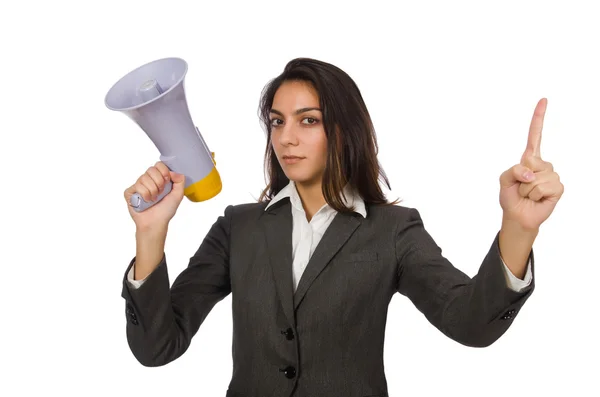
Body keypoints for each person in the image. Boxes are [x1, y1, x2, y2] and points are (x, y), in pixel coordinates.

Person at [120, 58, 564, 397]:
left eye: (307, 120)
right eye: (277, 121)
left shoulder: (393, 230)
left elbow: (471, 324)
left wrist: (518, 228)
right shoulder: (239, 228)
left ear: (343, 130)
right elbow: (157, 347)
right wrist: (150, 232)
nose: (285, 138)